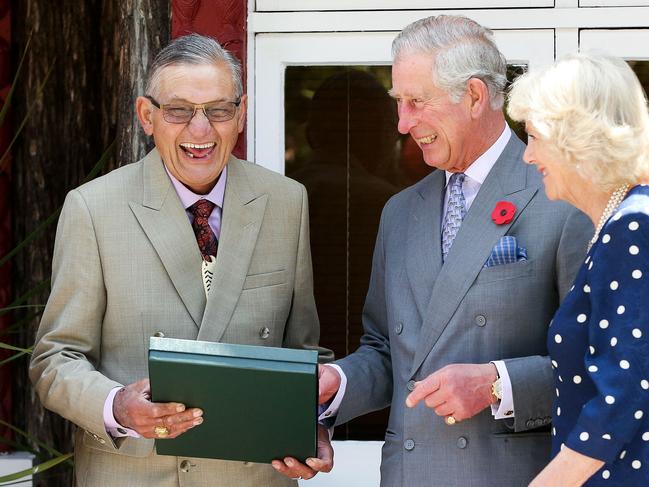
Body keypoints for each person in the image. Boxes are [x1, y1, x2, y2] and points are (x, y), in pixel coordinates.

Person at [29, 34, 333, 486]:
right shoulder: (93, 208)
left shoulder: (287, 202)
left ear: (241, 113)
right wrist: (116, 406)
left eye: (218, 109)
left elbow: (303, 352)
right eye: (179, 110)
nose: (200, 130)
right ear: (147, 116)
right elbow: (55, 359)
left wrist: (315, 427)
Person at [316, 15, 592, 486]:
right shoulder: (400, 211)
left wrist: (496, 384)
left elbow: (599, 363)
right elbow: (388, 352)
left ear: (475, 96)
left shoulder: (563, 196)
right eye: (398, 103)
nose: (403, 124)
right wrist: (338, 384)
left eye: (417, 102)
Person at [508, 53, 649, 486]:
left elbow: (627, 392)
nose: (528, 157)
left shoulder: (632, 225)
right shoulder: (621, 220)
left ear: (575, 137)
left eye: (534, 137)